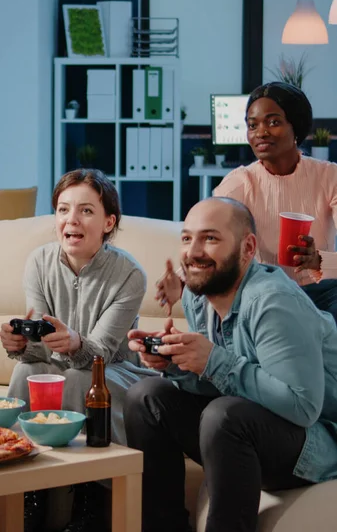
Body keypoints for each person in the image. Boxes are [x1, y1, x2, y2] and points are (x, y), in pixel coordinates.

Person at [124, 197, 337, 532]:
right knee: (146, 397)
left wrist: (213, 360)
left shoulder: (272, 302)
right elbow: (224, 381)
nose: (193, 252)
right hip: (251, 431)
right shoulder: (199, 295)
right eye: (186, 238)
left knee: (223, 416)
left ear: (247, 247)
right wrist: (176, 363)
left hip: (319, 440)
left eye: (210, 238)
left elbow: (303, 405)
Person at [0, 168, 157, 445]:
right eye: (63, 210)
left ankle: (90, 482)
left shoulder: (130, 275)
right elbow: (38, 349)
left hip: (112, 371)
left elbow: (101, 354)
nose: (71, 220)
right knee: (27, 372)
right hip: (58, 365)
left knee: (78, 378)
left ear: (108, 222)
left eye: (85, 211)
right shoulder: (39, 262)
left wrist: (74, 342)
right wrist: (21, 344)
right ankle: (18, 459)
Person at [156, 82, 337, 322]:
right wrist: (181, 280)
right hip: (266, 295)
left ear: (297, 127)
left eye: (273, 122)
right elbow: (209, 237)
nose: (261, 132)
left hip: (322, 295)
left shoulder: (329, 176)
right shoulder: (239, 183)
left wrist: (320, 260)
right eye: (253, 125)